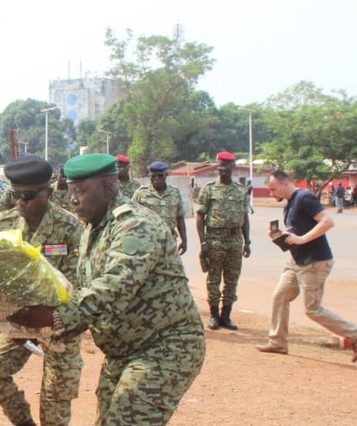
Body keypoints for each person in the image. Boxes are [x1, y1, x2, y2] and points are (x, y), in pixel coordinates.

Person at [8, 153, 205, 426]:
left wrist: (55, 319)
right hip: (125, 352)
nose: (73, 200)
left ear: (109, 187)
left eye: (81, 191)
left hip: (166, 347)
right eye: (70, 191)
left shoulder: (135, 225)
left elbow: (112, 287)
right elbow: (80, 291)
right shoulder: (94, 229)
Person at [0, 154, 83, 426]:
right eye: (16, 195)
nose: (21, 203)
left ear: (49, 190)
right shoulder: (6, 225)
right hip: (19, 323)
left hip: (60, 325)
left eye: (29, 196)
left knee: (55, 399)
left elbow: (81, 287)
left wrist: (51, 321)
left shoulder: (72, 229)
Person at [255, 171, 357, 360]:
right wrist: (281, 237)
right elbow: (298, 229)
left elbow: (327, 221)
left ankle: (354, 334)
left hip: (314, 262)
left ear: (285, 184)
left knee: (313, 309)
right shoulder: (290, 203)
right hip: (296, 262)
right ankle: (277, 342)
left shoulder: (304, 198)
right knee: (280, 296)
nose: (271, 193)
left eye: (272, 189)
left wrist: (302, 239)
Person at [196, 151, 251, 331]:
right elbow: (200, 216)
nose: (223, 170)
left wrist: (247, 242)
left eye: (226, 167)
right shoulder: (209, 189)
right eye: (220, 166)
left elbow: (244, 217)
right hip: (215, 238)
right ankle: (214, 315)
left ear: (233, 168)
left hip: (235, 239)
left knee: (232, 279)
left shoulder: (240, 191)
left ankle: (226, 315)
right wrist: (203, 242)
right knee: (213, 279)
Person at [132, 161, 188, 255]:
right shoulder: (141, 193)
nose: (156, 179)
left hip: (169, 241)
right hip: (147, 241)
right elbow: (131, 218)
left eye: (160, 176)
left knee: (171, 269)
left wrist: (184, 240)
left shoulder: (175, 193)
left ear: (166, 175)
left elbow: (179, 217)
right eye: (153, 176)